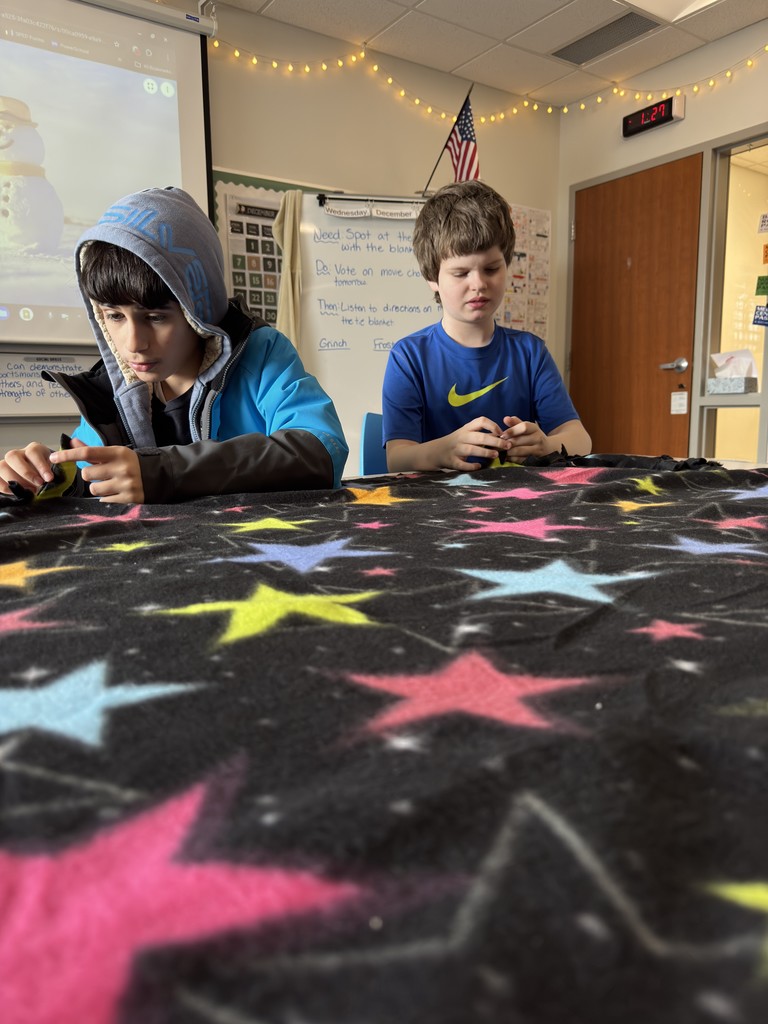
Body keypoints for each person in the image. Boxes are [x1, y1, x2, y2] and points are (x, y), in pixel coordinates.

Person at [0, 186, 348, 504]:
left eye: (155, 317)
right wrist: (46, 477)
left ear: (198, 310)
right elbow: (93, 483)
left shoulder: (263, 353)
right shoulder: (109, 390)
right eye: (114, 316)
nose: (134, 343)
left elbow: (321, 452)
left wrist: (164, 471)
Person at [382, 179, 591, 472]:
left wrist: (546, 444)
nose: (479, 284)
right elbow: (397, 458)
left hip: (519, 495)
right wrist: (445, 450)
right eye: (460, 273)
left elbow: (581, 439)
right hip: (439, 498)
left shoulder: (530, 352)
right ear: (432, 277)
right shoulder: (409, 357)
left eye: (491, 268)